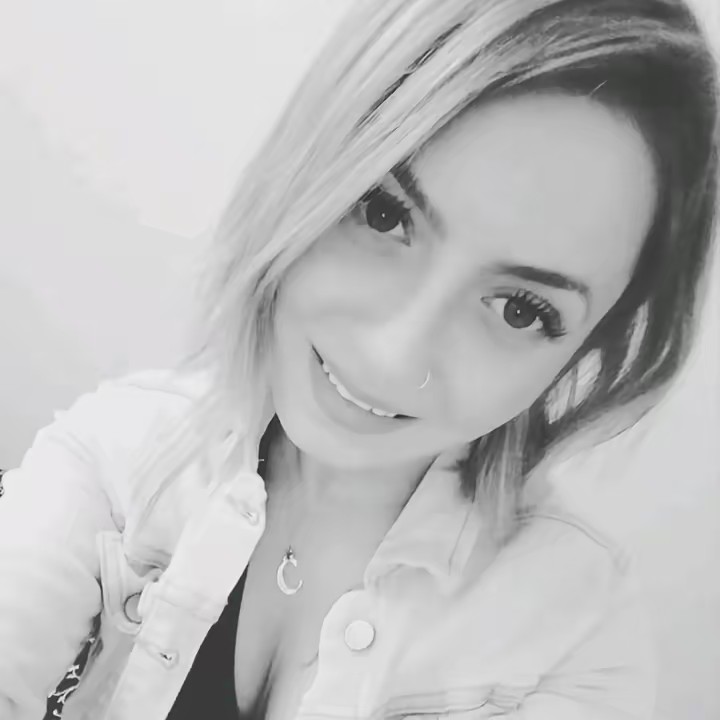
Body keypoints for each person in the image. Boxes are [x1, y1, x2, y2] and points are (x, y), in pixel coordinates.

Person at [1, 0, 718, 718]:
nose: (394, 356)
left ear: (590, 348)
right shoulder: (119, 464)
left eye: (521, 310)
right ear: (309, 170)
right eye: (384, 214)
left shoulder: (570, 642)